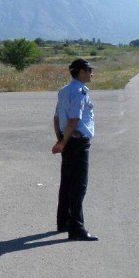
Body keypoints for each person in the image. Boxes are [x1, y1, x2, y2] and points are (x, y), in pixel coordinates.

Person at [52, 59, 98, 241]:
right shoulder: (79, 92)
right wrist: (64, 142)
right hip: (77, 141)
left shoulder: (64, 91)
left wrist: (61, 140)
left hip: (67, 140)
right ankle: (76, 228)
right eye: (89, 70)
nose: (91, 73)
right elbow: (74, 120)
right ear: (81, 72)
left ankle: (64, 221)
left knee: (66, 184)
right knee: (79, 186)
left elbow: (56, 118)